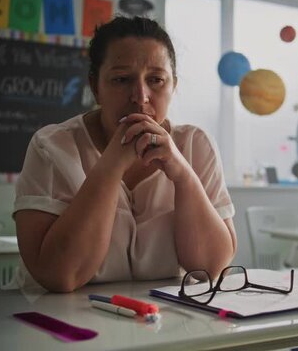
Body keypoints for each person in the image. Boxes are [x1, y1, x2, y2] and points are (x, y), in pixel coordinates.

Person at [13, 16, 237, 292]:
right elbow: (60, 276)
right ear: (95, 87)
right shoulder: (51, 147)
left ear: (173, 86)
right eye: (121, 79)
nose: (140, 96)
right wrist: (111, 166)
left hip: (163, 325)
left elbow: (210, 268)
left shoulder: (196, 145)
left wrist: (182, 173)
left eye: (156, 80)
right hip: (58, 323)